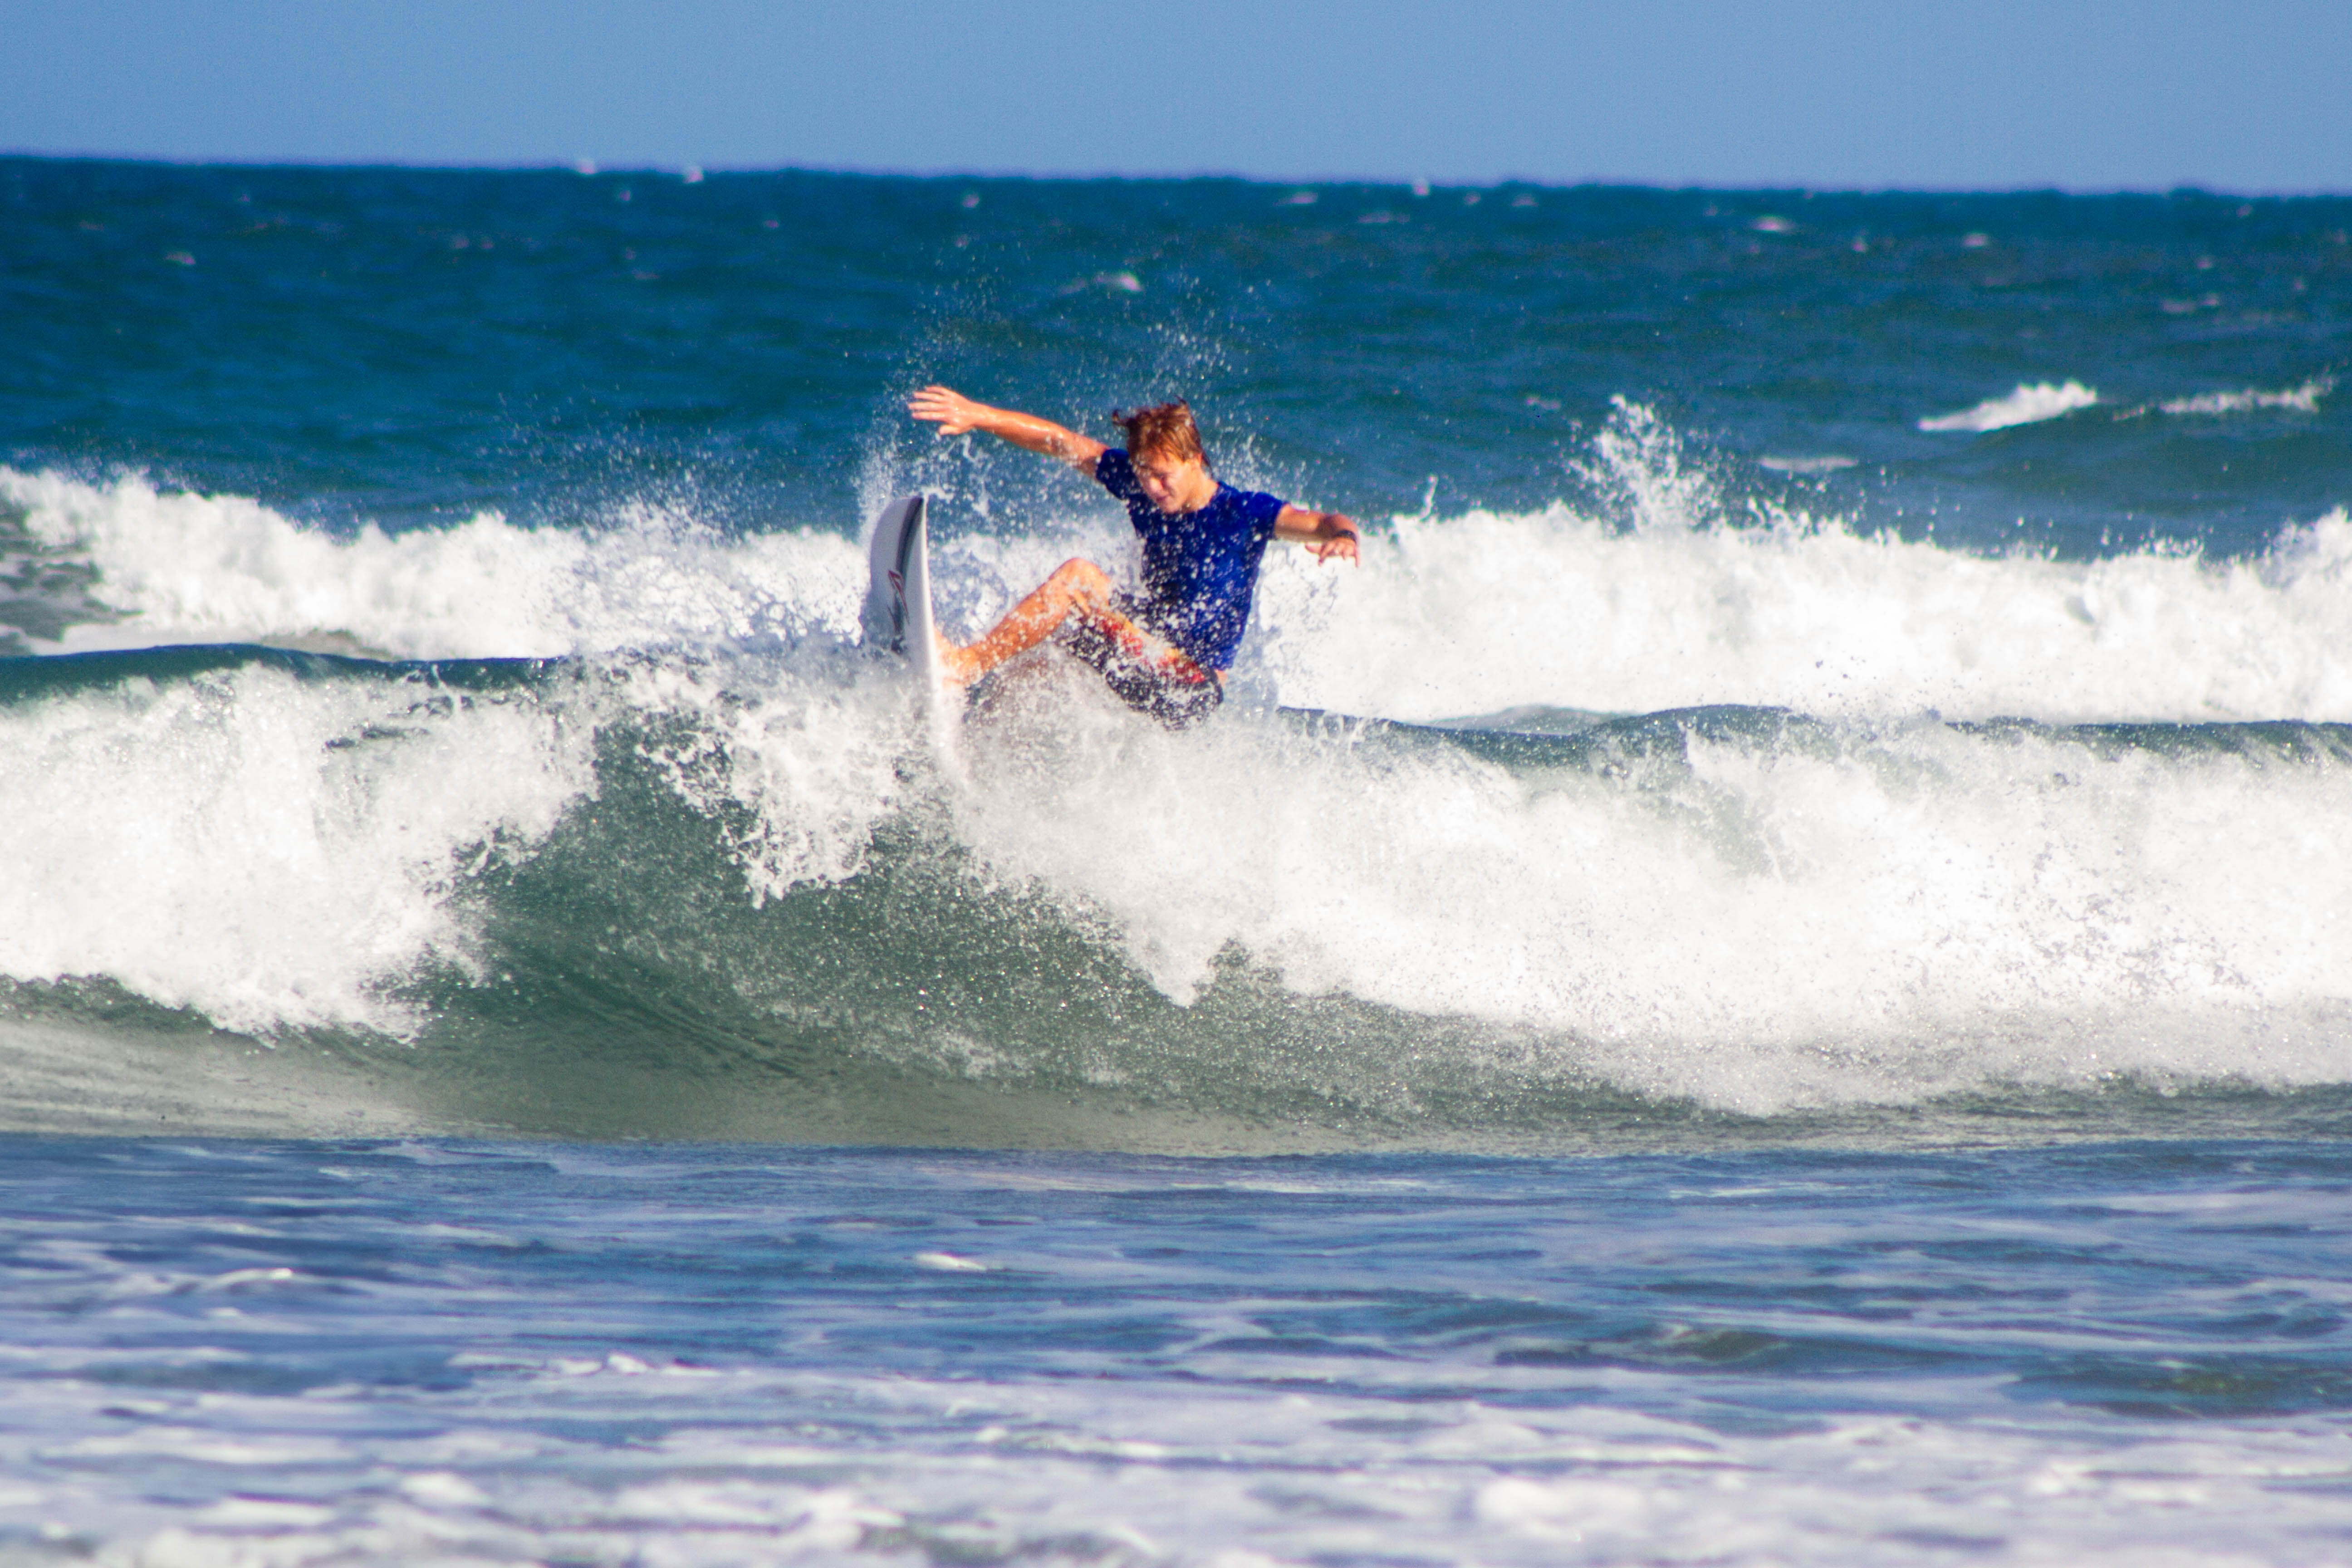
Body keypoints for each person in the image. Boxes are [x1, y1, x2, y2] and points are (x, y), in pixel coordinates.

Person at [906, 385, 1360, 728]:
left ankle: (963, 667)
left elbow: (1325, 521)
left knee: (1077, 580)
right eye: (1143, 475)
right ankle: (979, 729)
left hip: (1191, 685)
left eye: (1162, 477)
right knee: (1043, 644)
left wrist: (1343, 537)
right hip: (1145, 642)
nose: (1151, 488)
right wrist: (979, 415)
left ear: (1195, 459)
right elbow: (1061, 441)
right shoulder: (1140, 485)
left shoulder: (1242, 513)